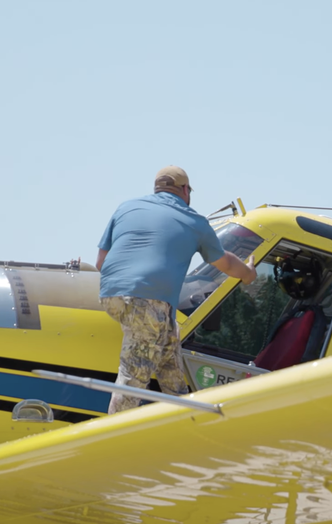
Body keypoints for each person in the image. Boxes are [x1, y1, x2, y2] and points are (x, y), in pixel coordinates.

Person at [96, 165, 257, 414]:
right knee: (134, 375)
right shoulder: (194, 221)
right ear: (185, 190)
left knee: (169, 348)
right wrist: (248, 274)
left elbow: (100, 263)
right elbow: (224, 262)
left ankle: (183, 411)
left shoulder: (127, 207)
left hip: (111, 294)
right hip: (147, 299)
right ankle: (110, 437)